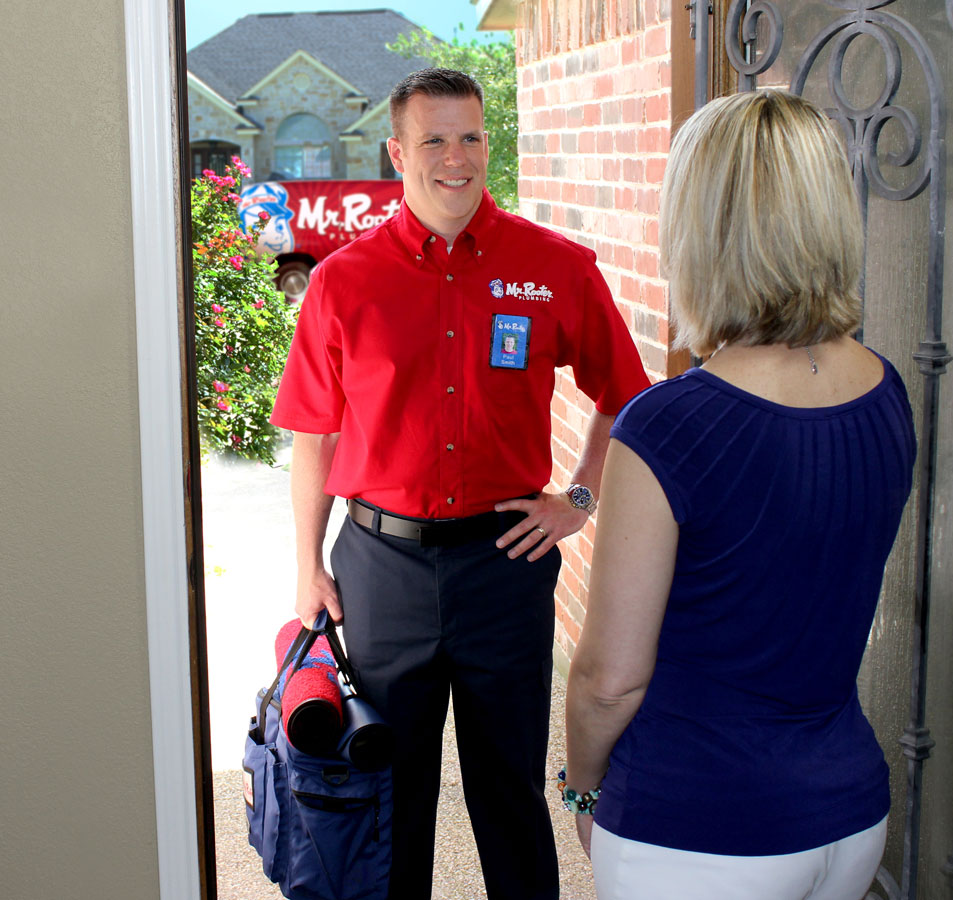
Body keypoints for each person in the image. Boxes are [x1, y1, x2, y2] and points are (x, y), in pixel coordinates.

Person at [270, 68, 650, 900]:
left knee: (509, 790)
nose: (456, 157)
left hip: (504, 566)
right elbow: (315, 434)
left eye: (471, 136)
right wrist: (308, 562)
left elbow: (626, 398)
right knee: (386, 797)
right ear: (396, 152)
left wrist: (578, 499)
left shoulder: (553, 267)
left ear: (488, 144)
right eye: (434, 139)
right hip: (380, 570)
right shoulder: (342, 282)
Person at [562, 89, 917, 900]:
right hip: (849, 814)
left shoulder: (670, 425)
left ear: (701, 231)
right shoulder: (884, 389)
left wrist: (582, 789)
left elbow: (607, 679)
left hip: (698, 831)